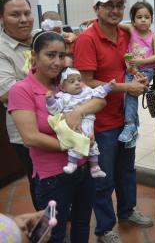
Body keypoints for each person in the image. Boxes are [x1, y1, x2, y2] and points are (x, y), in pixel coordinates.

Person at [8, 31, 106, 243]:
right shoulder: (22, 90)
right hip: (52, 177)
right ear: (34, 55)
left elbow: (99, 101)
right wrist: (75, 143)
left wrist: (78, 112)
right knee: (51, 233)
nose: (57, 62)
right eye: (50, 55)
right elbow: (30, 137)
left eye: (61, 56)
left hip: (84, 168)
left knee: (82, 223)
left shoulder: (66, 81)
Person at [73, 0, 152, 243]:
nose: (115, 10)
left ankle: (127, 211)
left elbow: (127, 66)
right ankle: (105, 228)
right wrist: (125, 87)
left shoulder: (124, 34)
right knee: (103, 177)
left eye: (119, 5)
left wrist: (138, 78)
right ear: (96, 9)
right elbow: (86, 82)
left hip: (126, 118)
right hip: (103, 121)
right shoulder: (88, 39)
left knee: (126, 171)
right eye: (108, 5)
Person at [0, 0, 37, 209]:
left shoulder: (40, 38)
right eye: (15, 15)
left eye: (27, 13)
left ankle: (62, 217)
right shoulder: (2, 49)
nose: (23, 19)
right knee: (41, 180)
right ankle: (47, 229)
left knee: (60, 177)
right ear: (2, 18)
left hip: (55, 122)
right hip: (27, 131)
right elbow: (8, 92)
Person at [45, 67, 112, 178]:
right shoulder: (63, 98)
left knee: (91, 141)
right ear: (62, 87)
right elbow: (54, 109)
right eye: (72, 81)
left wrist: (108, 87)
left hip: (88, 121)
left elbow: (98, 93)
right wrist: (50, 100)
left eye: (79, 80)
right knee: (77, 140)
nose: (77, 83)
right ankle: (72, 163)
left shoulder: (86, 92)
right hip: (72, 123)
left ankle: (95, 167)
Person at [118, 1, 155, 146]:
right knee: (127, 95)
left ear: (151, 19)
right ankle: (132, 127)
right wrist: (95, 20)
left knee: (131, 92)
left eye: (147, 17)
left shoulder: (154, 36)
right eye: (139, 17)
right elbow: (115, 24)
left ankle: (130, 125)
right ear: (133, 20)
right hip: (130, 69)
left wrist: (141, 62)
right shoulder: (131, 30)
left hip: (146, 70)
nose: (143, 20)